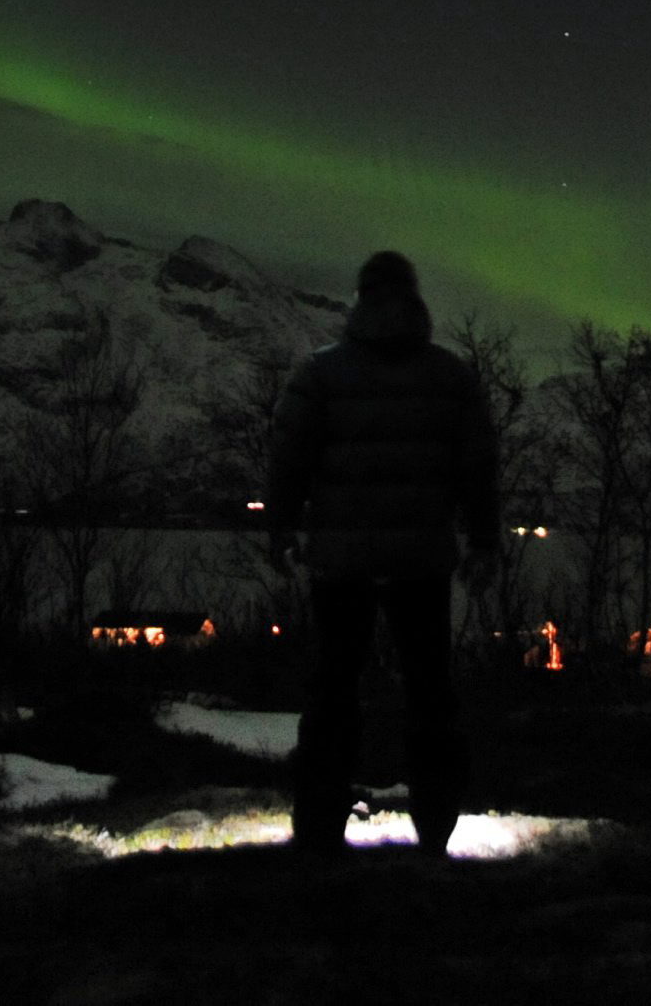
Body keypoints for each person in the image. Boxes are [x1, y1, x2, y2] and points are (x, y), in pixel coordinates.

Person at [264, 248, 498, 859]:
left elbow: (287, 459)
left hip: (340, 562)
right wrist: (484, 539)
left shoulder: (321, 375)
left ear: (361, 301)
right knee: (429, 693)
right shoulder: (449, 377)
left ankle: (318, 831)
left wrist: (283, 530)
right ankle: (436, 831)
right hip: (421, 559)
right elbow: (479, 469)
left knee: (332, 694)